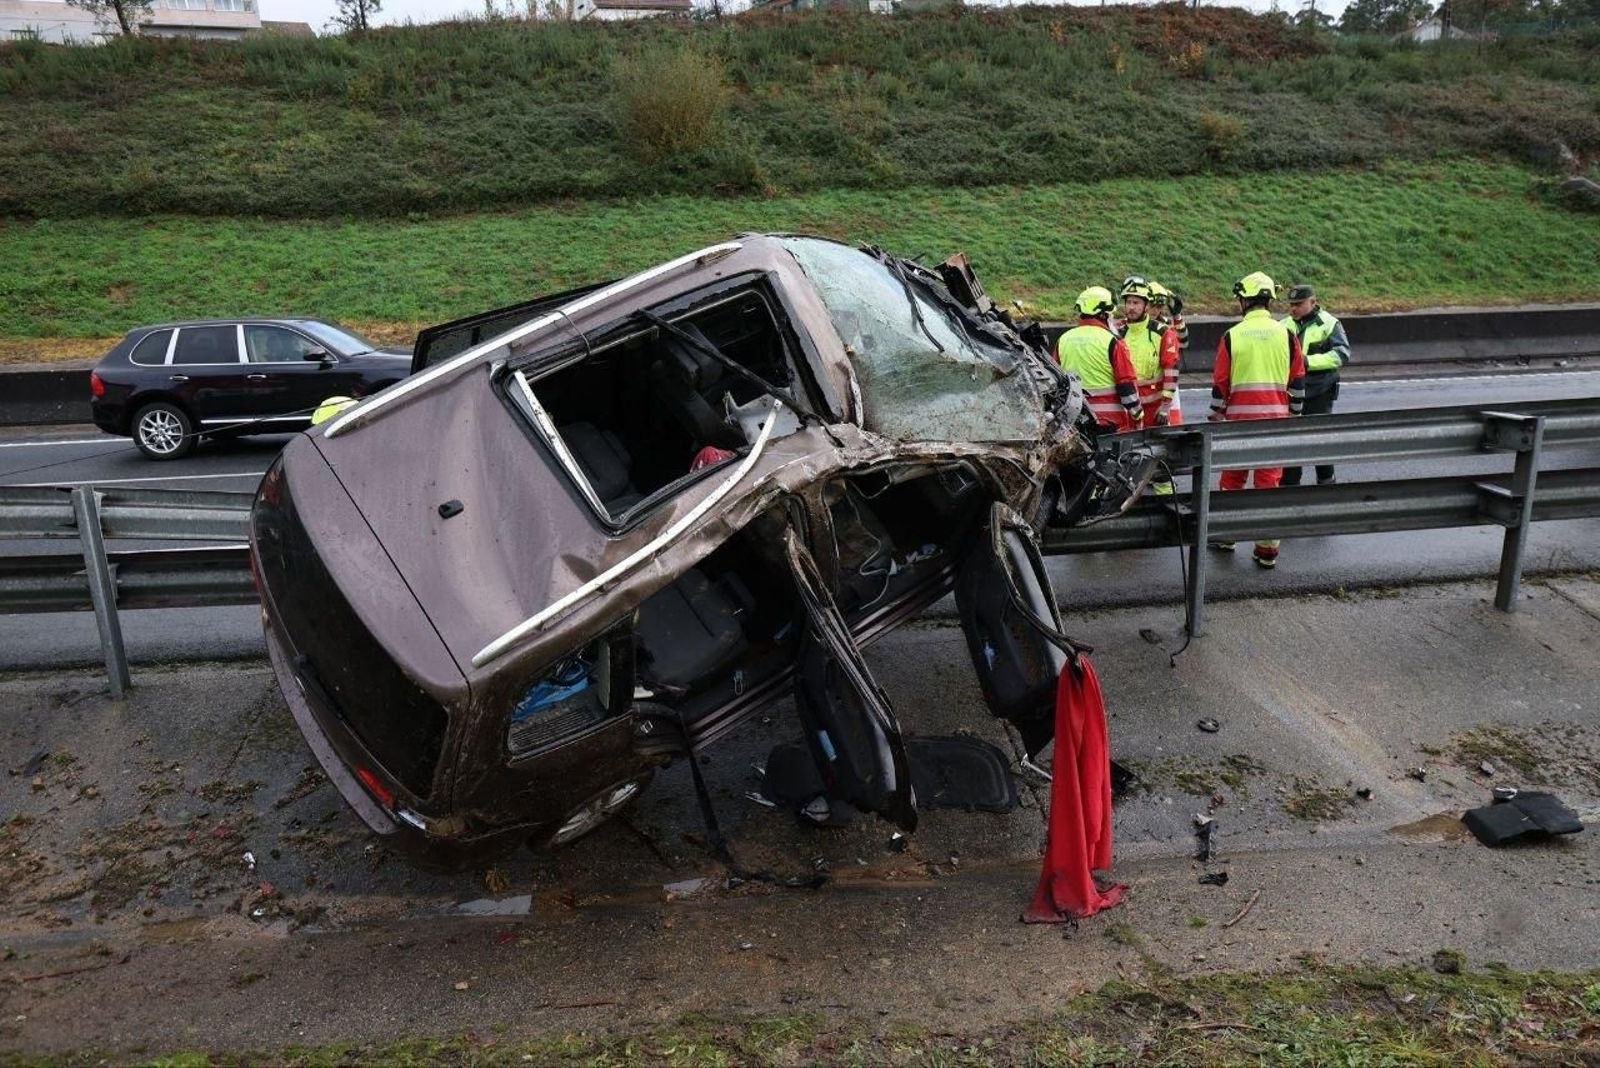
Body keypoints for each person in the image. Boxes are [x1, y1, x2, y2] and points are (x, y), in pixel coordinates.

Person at [1209, 272, 1305, 569]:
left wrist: (1215, 418)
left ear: (1245, 300)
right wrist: (1293, 417)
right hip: (1274, 423)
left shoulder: (1232, 335)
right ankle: (1266, 551)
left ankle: (1226, 536)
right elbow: (1298, 382)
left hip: (1238, 423)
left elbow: (1219, 386)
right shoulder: (1286, 335)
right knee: (1268, 485)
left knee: (1232, 480)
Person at [1280, 284, 1350, 486]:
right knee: (1291, 444)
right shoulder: (1284, 325)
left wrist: (1308, 362)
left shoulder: (1329, 323)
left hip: (1319, 391)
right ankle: (1289, 490)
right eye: (1291, 305)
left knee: (1320, 441)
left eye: (1298, 304)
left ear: (1313, 302)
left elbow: (1342, 355)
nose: (1293, 309)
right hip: (1291, 392)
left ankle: (1326, 485)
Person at [1057, 286, 1142, 432]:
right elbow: (1126, 385)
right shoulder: (1113, 341)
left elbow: (1057, 379)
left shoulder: (1063, 340)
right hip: (1110, 423)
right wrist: (1137, 414)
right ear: (1103, 314)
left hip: (1076, 422)